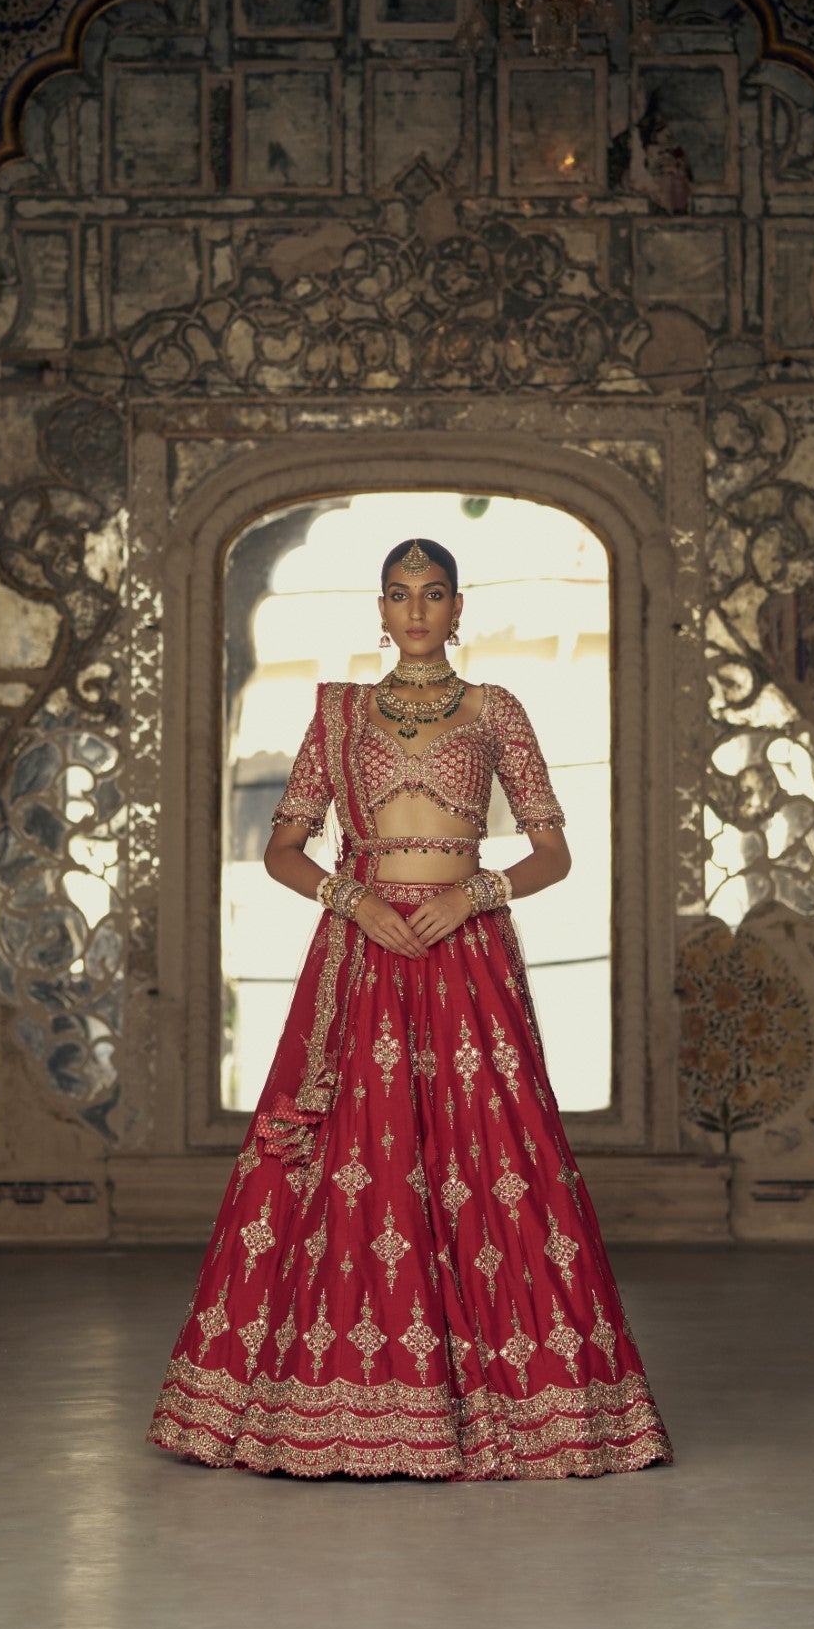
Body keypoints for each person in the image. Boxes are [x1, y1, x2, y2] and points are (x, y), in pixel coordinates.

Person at [148, 537, 671, 1478]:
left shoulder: (494, 711)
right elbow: (285, 848)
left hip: (464, 949)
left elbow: (553, 851)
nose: (417, 611)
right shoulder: (340, 715)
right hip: (363, 955)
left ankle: (526, 1407)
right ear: (379, 609)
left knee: (494, 1154)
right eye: (400, 595)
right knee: (354, 1154)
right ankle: (332, 1406)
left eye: (433, 594)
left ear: (458, 607)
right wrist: (354, 904)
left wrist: (473, 895)